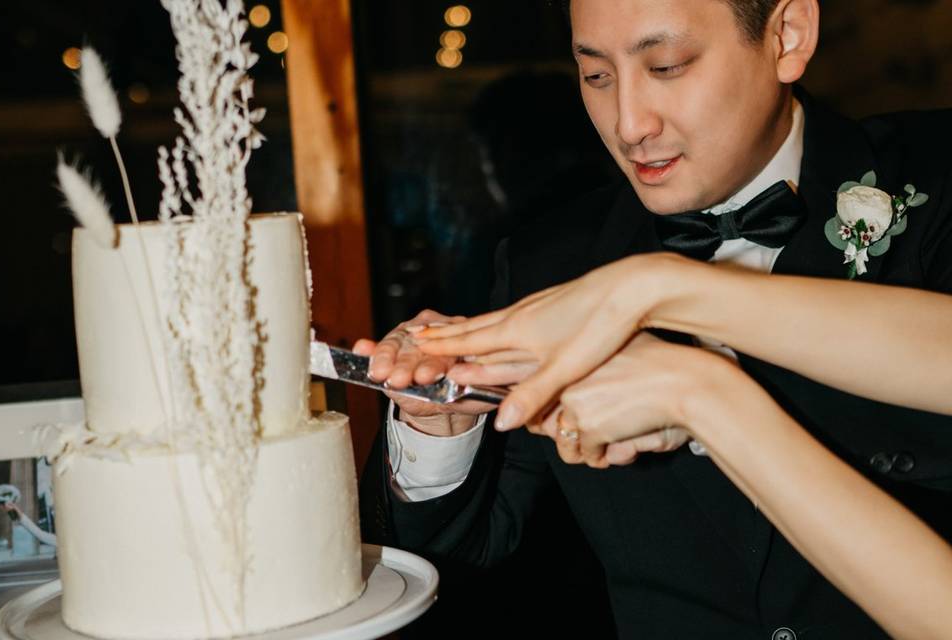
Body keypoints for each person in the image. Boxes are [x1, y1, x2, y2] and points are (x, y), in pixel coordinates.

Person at [357, 0, 952, 637]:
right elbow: (468, 563)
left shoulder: (938, 179)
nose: (630, 124)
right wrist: (440, 429)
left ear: (788, 34)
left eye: (666, 66)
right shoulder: (550, 259)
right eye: (596, 77)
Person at [414, 256, 952, 639]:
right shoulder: (551, 246)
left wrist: (697, 393)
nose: (632, 127)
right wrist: (646, 287)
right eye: (596, 84)